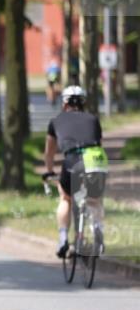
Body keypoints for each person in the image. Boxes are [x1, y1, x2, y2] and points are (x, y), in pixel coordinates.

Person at [43, 85, 107, 259]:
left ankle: (63, 238)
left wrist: (49, 171)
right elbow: (98, 143)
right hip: (96, 158)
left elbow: (49, 151)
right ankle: (98, 231)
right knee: (94, 199)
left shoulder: (56, 121)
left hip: (73, 159)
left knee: (66, 197)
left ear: (64, 104)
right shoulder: (94, 119)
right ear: (83, 103)